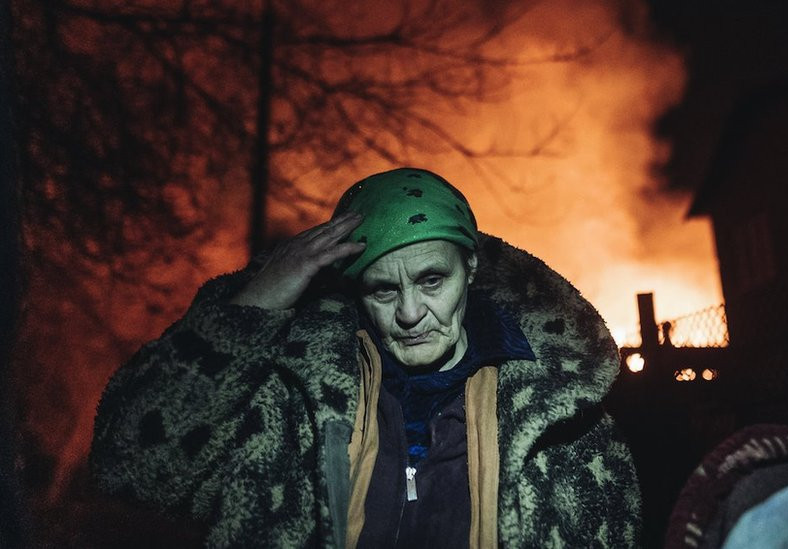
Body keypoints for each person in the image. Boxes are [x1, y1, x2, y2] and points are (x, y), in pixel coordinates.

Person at [90, 168, 641, 548]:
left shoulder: (563, 421)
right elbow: (131, 468)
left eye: (432, 280)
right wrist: (253, 305)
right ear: (356, 294)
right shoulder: (288, 405)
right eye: (382, 290)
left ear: (470, 270)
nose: (410, 312)